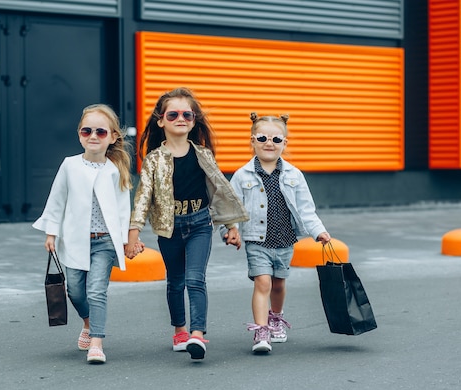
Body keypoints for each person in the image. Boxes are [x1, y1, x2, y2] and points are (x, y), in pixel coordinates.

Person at [125, 87, 248, 360]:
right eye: (173, 114)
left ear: (194, 121)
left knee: (195, 279)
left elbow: (220, 192)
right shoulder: (154, 159)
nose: (181, 118)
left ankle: (197, 334)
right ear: (161, 121)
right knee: (176, 282)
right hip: (169, 227)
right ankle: (180, 330)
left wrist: (232, 228)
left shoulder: (203, 154)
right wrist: (132, 235)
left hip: (200, 224)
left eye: (187, 114)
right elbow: (143, 198)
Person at [33, 104, 137, 364]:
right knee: (76, 291)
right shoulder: (69, 165)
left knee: (96, 291)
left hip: (104, 242)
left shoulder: (115, 171)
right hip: (75, 240)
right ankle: (88, 324)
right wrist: (51, 233)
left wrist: (125, 240)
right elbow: (57, 200)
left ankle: (97, 343)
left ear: (113, 137)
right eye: (86, 130)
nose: (93, 136)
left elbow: (123, 208)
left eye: (100, 132)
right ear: (79, 133)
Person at [225, 112, 331, 353]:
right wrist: (230, 229)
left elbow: (306, 209)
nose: (269, 143)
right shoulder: (242, 175)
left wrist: (319, 232)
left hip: (284, 240)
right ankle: (261, 332)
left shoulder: (294, 175)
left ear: (285, 143)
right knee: (263, 282)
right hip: (257, 240)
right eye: (262, 138)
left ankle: (276, 317)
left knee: (278, 285)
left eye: (276, 139)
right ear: (252, 141)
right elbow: (229, 206)